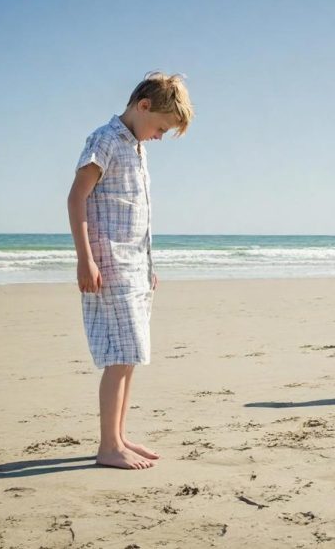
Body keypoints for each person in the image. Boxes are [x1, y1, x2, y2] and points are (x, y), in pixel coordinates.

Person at [67, 72, 193, 469]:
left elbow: (138, 214)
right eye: (160, 127)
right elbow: (76, 198)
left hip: (136, 265)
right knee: (119, 354)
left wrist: (148, 265)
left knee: (132, 352)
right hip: (110, 263)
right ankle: (108, 446)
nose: (159, 136)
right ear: (143, 106)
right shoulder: (105, 140)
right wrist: (84, 258)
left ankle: (119, 436)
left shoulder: (136, 147)